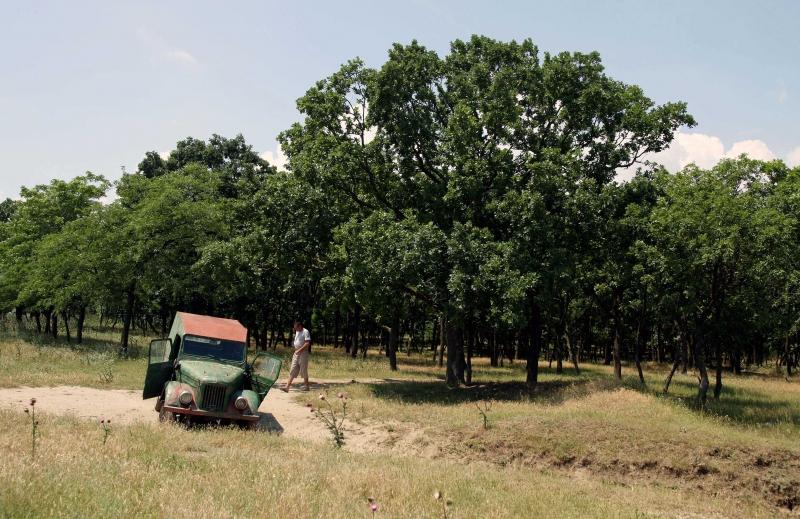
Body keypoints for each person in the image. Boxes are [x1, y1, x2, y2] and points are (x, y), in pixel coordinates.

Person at [283, 320, 311, 391]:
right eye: (294, 328)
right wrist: (296, 350)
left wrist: (299, 350)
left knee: (303, 369)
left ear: (300, 326)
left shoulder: (305, 331)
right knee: (293, 368)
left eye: (296, 328)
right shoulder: (297, 331)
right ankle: (287, 387)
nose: (295, 329)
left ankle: (306, 386)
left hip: (303, 353)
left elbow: (307, 343)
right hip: (296, 352)